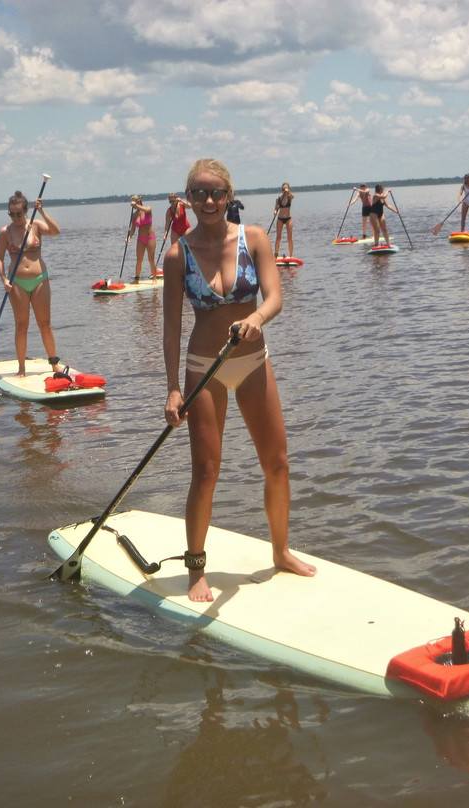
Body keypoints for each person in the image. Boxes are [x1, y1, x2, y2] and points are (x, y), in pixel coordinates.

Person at [162, 158, 317, 602]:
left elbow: (275, 298)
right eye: (199, 193)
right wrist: (173, 387)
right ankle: (196, 570)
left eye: (216, 193)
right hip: (202, 368)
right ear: (187, 198)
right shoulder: (178, 254)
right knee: (207, 471)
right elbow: (170, 328)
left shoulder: (255, 238)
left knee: (278, 463)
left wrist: (256, 318)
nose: (208, 201)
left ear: (229, 196)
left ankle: (282, 551)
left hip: (252, 361)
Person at [0, 190, 62, 377]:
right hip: (17, 284)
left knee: (45, 324)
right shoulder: (5, 232)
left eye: (19, 214)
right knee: (21, 326)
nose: (15, 217)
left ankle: (54, 362)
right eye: (11, 214)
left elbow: (56, 231)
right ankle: (21, 368)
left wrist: (41, 211)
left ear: (25, 211)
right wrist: (3, 279)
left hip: (40, 279)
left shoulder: (36, 225)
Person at [126, 195, 158, 282]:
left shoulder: (147, 209)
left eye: (134, 203)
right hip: (141, 239)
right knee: (139, 259)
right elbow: (133, 229)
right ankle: (137, 278)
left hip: (150, 237)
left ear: (138, 202)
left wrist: (136, 205)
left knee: (151, 259)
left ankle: (154, 279)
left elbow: (146, 210)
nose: (133, 206)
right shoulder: (134, 215)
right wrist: (129, 237)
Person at [370, 184, 398, 248]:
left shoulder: (382, 197)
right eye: (382, 189)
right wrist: (388, 191)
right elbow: (385, 196)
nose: (383, 190)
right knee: (377, 230)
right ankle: (376, 244)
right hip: (373, 214)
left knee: (384, 229)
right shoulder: (375, 196)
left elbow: (388, 206)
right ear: (379, 189)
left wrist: (396, 211)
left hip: (381, 213)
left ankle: (388, 244)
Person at [273, 182, 295, 257]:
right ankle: (276, 254)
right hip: (280, 219)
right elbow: (275, 208)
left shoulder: (290, 197)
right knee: (278, 237)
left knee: (289, 238)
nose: (284, 190)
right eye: (283, 189)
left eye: (286, 188)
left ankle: (291, 255)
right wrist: (275, 212)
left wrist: (287, 192)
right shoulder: (278, 198)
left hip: (288, 218)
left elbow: (293, 196)